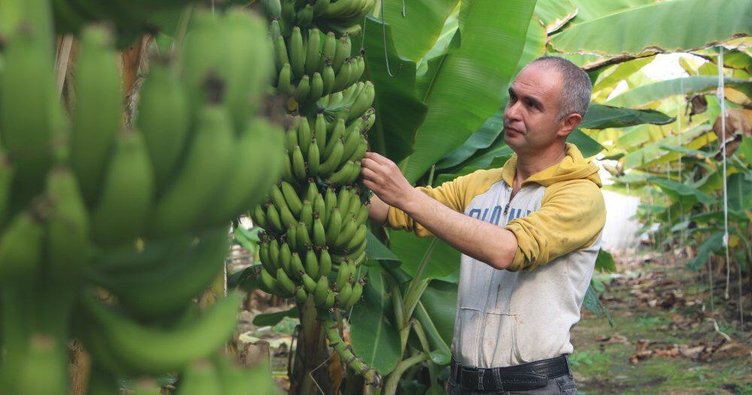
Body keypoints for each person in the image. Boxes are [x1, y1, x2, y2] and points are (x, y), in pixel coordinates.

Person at [361, 56, 606, 394]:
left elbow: (508, 250)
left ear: (568, 123)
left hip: (532, 384)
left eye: (532, 105)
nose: (512, 112)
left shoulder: (580, 196)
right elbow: (392, 211)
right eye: (513, 97)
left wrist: (407, 196)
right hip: (464, 382)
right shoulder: (483, 184)